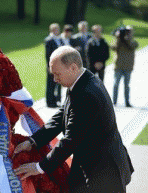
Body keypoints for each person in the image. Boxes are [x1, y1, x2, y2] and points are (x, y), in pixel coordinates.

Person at [13, 46, 134, 192]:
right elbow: (62, 115)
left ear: (73, 68)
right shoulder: (81, 80)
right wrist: (33, 141)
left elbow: (71, 139)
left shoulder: (86, 94)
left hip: (102, 172)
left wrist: (39, 167)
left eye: (57, 74)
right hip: (95, 163)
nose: (55, 79)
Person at [112, 25, 138, 107]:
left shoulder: (134, 42)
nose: (127, 33)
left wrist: (128, 38)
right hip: (118, 66)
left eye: (129, 31)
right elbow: (113, 48)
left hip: (128, 67)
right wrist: (118, 38)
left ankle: (127, 102)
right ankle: (114, 101)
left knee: (127, 85)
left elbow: (131, 46)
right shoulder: (119, 41)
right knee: (116, 84)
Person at [44, 23, 63, 107]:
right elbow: (48, 54)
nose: (57, 31)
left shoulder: (59, 39)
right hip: (52, 64)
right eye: (56, 29)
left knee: (56, 83)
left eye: (58, 29)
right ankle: (50, 102)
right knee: (50, 83)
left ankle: (55, 100)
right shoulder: (49, 40)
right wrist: (49, 65)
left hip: (59, 64)